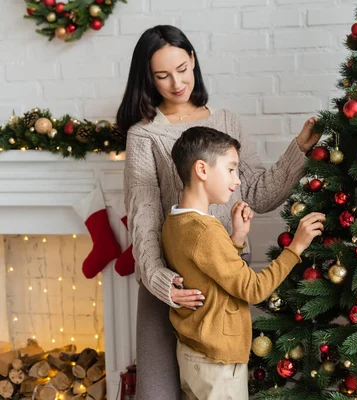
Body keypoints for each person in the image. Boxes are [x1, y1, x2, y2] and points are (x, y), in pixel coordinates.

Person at [117, 25, 321, 399]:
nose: (177, 82)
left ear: (193, 58)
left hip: (222, 285)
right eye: (162, 76)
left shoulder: (225, 121)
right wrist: (162, 283)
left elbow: (257, 193)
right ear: (148, 79)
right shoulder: (144, 135)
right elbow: (144, 221)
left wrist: (300, 149)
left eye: (182, 68)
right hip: (173, 288)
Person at [163, 126, 324, 399]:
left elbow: (210, 271)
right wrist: (295, 247)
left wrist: (236, 238)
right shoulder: (205, 230)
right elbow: (254, 289)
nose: (237, 181)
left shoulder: (175, 221)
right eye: (231, 169)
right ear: (202, 170)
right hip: (217, 363)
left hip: (192, 353)